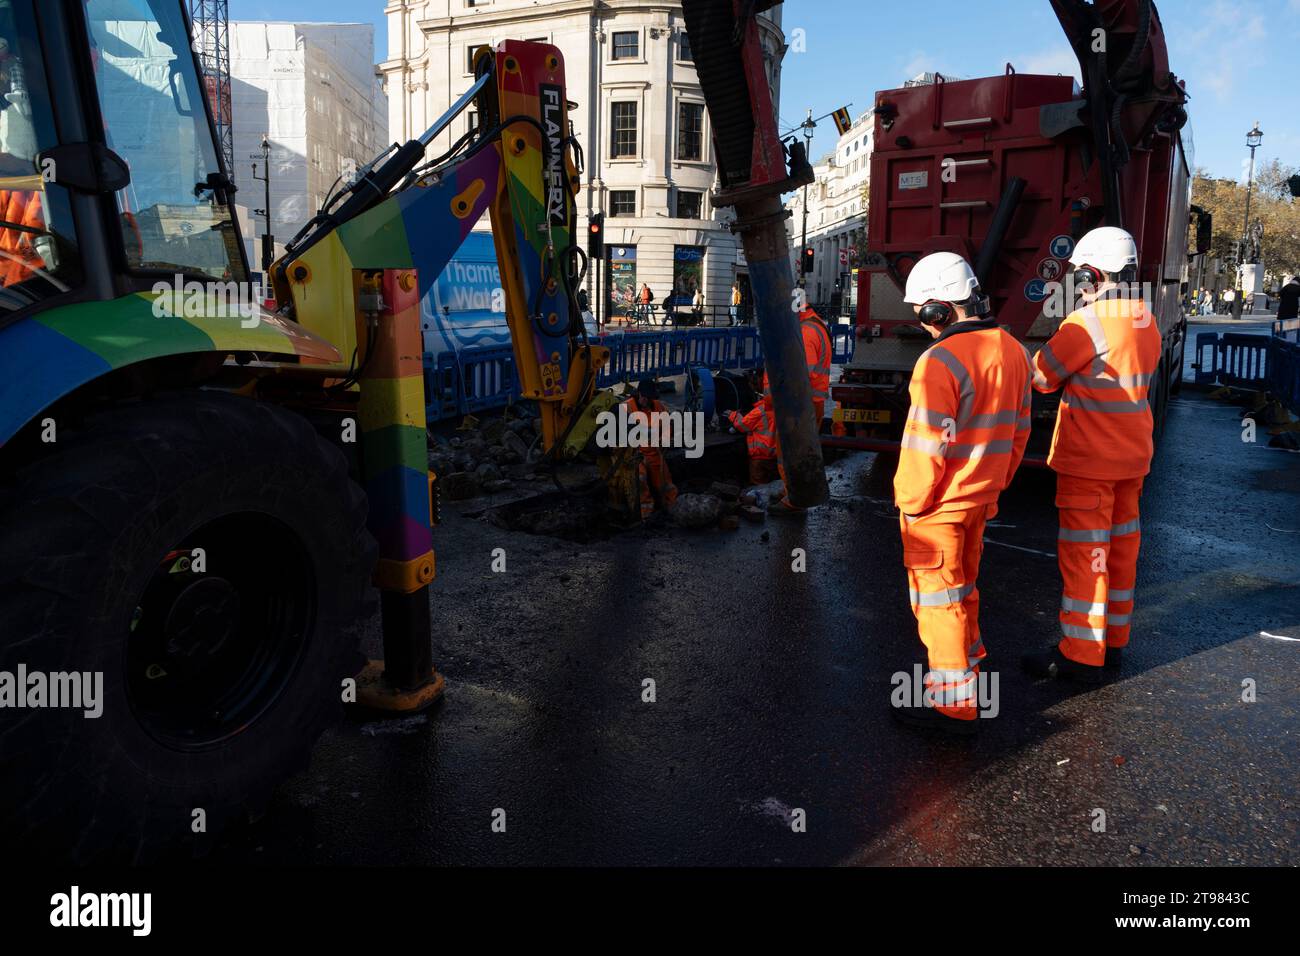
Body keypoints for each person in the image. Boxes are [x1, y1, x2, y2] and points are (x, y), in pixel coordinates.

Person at [891, 252, 1032, 733]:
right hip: (978, 499)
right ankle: (967, 675)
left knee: (938, 603)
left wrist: (912, 505)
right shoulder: (1013, 349)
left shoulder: (938, 361)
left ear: (939, 311)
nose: (925, 327)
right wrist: (995, 482)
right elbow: (1019, 431)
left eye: (923, 317)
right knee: (962, 592)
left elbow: (923, 445)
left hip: (939, 506)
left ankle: (953, 706)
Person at [1021, 226, 1161, 684]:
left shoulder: (1086, 323)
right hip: (1132, 457)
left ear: (1092, 272)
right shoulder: (1145, 316)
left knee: (1088, 557)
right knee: (1121, 553)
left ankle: (1080, 652)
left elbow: (1043, 377)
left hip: (1090, 462)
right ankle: (1113, 642)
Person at [769, 298, 833, 517]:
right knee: (799, 450)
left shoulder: (805, 333)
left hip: (799, 405)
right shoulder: (815, 326)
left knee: (790, 451)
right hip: (809, 403)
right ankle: (792, 491)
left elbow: (800, 374)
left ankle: (795, 500)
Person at [624, 378, 678, 519]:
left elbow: (668, 427)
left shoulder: (658, 406)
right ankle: (646, 513)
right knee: (639, 479)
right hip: (635, 453)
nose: (646, 401)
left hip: (654, 451)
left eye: (649, 398)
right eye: (644, 397)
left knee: (664, 480)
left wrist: (664, 439)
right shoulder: (627, 407)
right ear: (639, 393)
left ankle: (672, 507)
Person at [726, 374, 779, 487]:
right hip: (777, 457)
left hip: (759, 458)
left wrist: (733, 414)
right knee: (774, 486)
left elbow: (741, 425)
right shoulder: (783, 408)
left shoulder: (760, 411)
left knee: (758, 488)